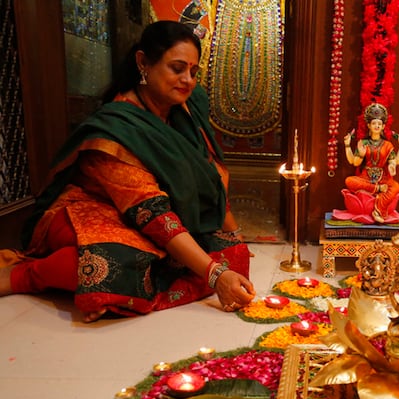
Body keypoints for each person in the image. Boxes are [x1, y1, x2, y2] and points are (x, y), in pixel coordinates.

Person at [0, 21, 255, 322]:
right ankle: (25, 275)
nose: (188, 80)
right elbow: (153, 215)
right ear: (143, 63)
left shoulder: (186, 109)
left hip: (142, 218)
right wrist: (214, 277)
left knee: (232, 255)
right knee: (111, 264)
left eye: (194, 72)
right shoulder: (117, 129)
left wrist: (233, 236)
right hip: (90, 211)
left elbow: (212, 175)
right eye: (177, 68)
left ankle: (112, 295)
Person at [342, 103, 399, 224]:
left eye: (379, 124)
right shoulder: (364, 142)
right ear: (369, 125)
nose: (376, 126)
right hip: (366, 178)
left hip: (383, 178)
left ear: (383, 126)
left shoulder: (387, 145)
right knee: (349, 181)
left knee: (396, 186)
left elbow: (394, 162)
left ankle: (378, 210)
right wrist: (350, 146)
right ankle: (377, 189)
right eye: (374, 123)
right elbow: (354, 162)